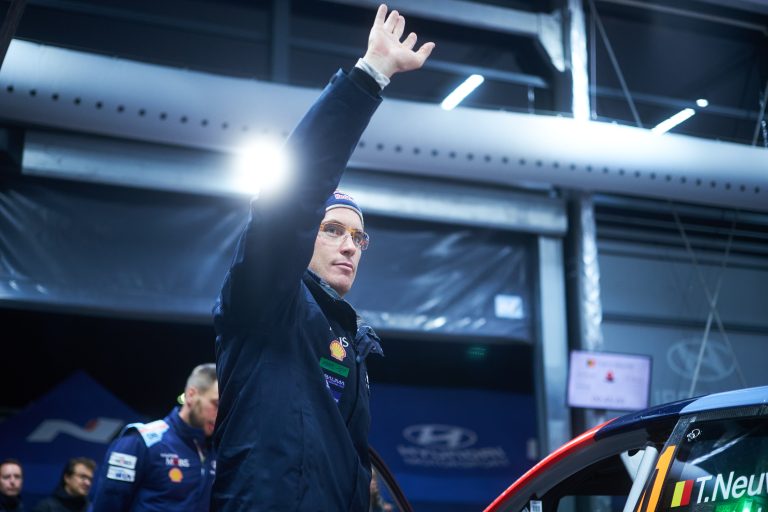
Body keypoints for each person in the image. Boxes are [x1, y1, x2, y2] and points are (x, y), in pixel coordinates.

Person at [211, 4, 434, 511]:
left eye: (358, 237)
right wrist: (370, 75)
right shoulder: (267, 300)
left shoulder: (350, 339)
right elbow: (294, 197)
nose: (350, 245)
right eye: (332, 230)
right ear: (302, 234)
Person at [90, 363, 218, 512]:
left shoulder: (217, 451)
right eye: (216, 404)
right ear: (191, 395)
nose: (220, 414)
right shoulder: (142, 440)